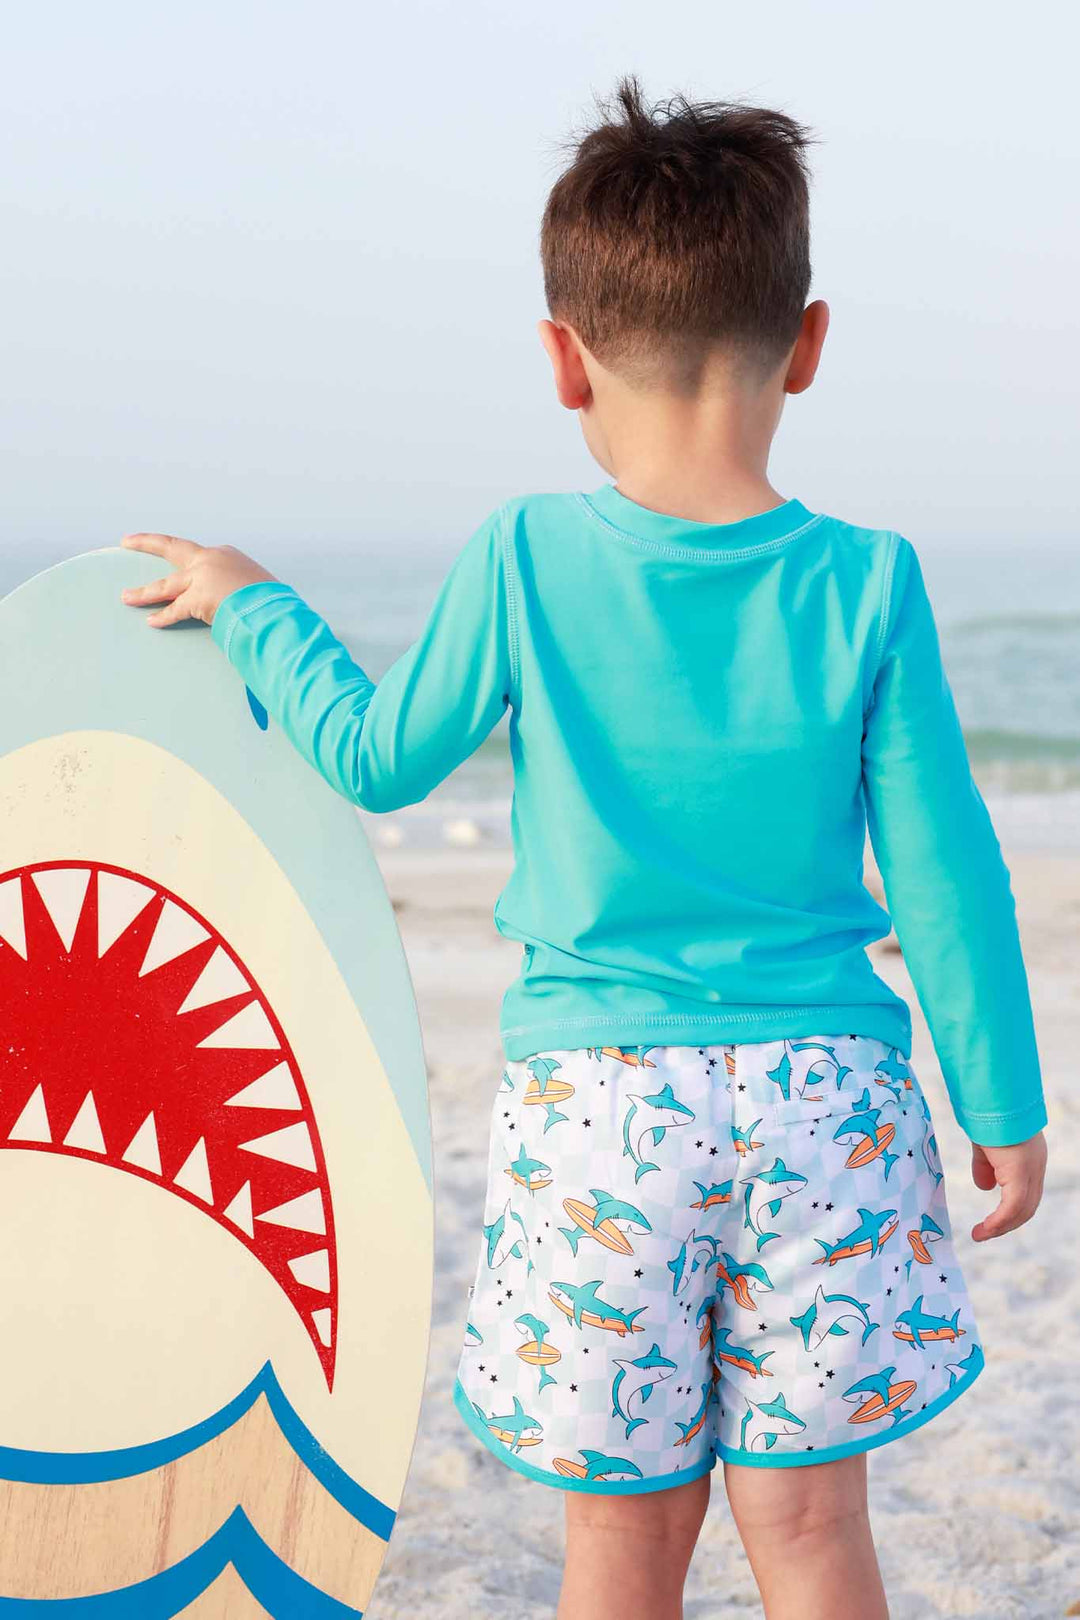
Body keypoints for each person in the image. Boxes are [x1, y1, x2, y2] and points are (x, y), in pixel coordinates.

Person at [119, 75, 1048, 1620]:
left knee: (617, 1546)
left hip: (599, 1113)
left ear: (564, 362)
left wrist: (256, 604)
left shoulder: (526, 556)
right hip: (832, 1105)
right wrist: (1004, 1094)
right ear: (807, 344)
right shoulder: (869, 581)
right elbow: (949, 868)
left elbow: (375, 756)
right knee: (814, 1534)